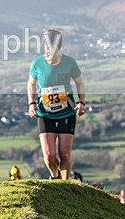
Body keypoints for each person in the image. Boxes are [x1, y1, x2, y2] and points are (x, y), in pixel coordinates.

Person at [27, 29, 86, 180]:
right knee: (49, 156)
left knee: (64, 154)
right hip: (45, 113)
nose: (48, 50)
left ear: (58, 48)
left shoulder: (70, 62)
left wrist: (81, 102)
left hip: (66, 111)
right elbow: (31, 84)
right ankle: (55, 176)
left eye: (52, 47)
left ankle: (65, 184)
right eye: (46, 46)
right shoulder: (37, 63)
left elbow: (79, 83)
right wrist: (31, 103)